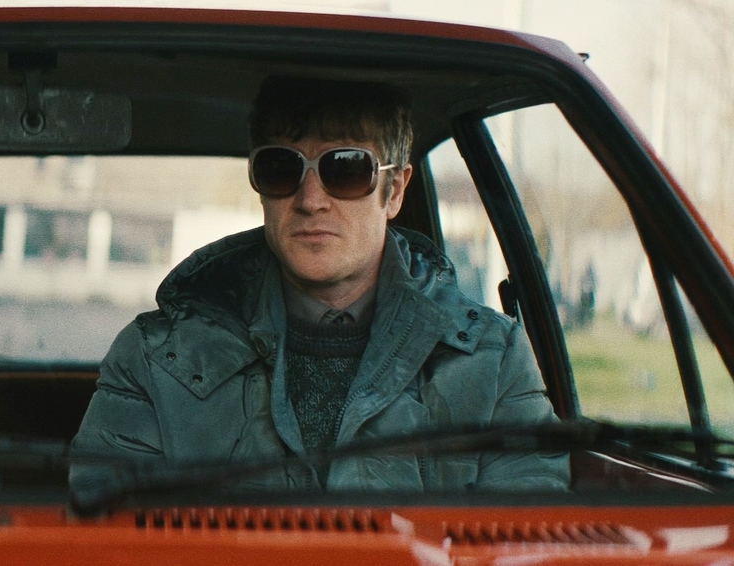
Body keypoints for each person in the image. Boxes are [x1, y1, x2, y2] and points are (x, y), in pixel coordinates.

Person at [71, 77, 569, 493]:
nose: (310, 200)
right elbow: (108, 539)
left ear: (394, 190)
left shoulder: (493, 360)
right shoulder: (155, 358)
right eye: (281, 168)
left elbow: (526, 540)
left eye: (345, 169)